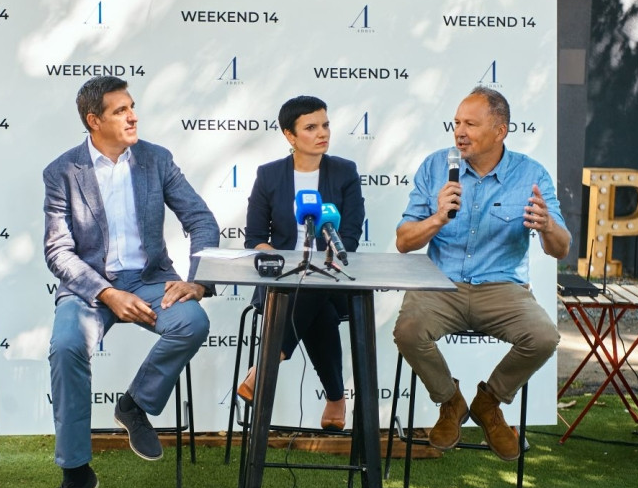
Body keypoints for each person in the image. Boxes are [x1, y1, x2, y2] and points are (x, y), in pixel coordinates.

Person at [42, 76, 219, 488]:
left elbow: (201, 219)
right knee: (66, 346)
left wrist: (197, 281)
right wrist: (106, 294)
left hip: (151, 279)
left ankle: (135, 404)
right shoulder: (62, 171)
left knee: (192, 322)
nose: (133, 116)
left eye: (132, 107)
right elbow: (58, 251)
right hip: (90, 287)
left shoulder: (156, 159)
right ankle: (75, 475)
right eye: (120, 111)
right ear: (93, 120)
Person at [393, 86, 571, 461]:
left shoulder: (531, 174)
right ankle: (451, 401)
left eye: (470, 124)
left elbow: (561, 248)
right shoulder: (436, 167)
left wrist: (547, 227)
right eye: (457, 122)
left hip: (502, 287)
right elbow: (404, 241)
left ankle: (489, 403)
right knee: (408, 331)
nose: (459, 132)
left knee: (543, 337)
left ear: (500, 130)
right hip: (441, 285)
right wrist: (437, 218)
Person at [238, 95, 365, 431]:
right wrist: (284, 263)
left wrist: (320, 262)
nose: (322, 133)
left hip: (330, 274)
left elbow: (350, 236)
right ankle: (336, 397)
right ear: (289, 135)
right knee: (315, 307)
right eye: (311, 127)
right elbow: (255, 238)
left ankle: (266, 365)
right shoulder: (269, 175)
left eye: (325, 125)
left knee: (314, 288)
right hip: (282, 279)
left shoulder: (345, 172)